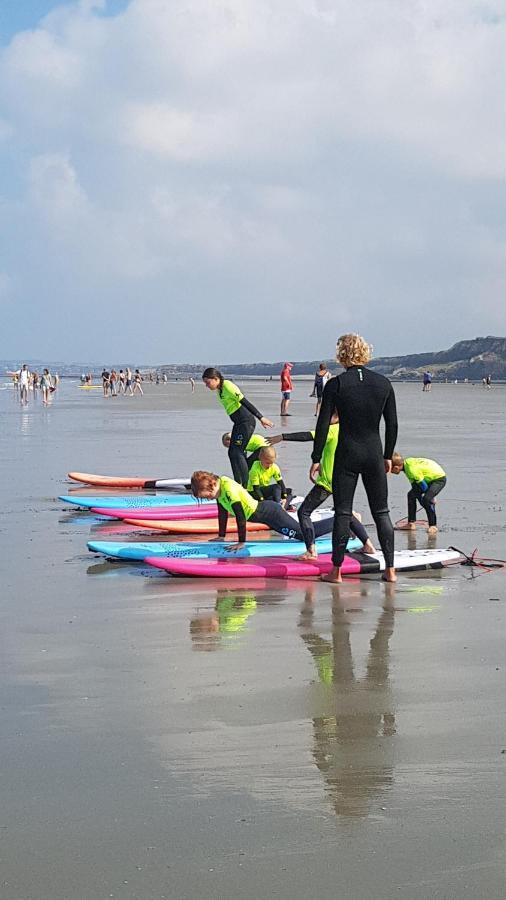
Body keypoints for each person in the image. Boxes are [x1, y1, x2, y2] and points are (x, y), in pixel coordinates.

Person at [312, 333, 398, 583]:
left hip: (347, 453)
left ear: (341, 355)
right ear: (366, 353)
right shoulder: (383, 383)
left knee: (342, 512)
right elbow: (392, 424)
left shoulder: (335, 385)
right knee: (381, 512)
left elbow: (323, 424)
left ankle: (335, 572)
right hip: (374, 454)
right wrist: (388, 455)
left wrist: (316, 456)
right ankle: (390, 570)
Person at [269, 415, 376, 559]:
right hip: (345, 479)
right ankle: (367, 544)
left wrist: (282, 436)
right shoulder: (349, 429)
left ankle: (311, 550)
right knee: (344, 512)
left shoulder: (331, 430)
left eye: (329, 414)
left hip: (328, 482)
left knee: (304, 512)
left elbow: (309, 436)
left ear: (337, 416)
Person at [190, 471, 333, 550]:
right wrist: (221, 536)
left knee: (303, 535)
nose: (208, 499)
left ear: (211, 485)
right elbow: (222, 513)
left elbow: (240, 517)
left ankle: (340, 520)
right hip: (267, 516)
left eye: (206, 496)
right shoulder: (219, 492)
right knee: (302, 535)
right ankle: (341, 521)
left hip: (271, 513)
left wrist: (241, 542)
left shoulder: (228, 490)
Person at [202, 368, 273, 487]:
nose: (207, 385)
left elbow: (245, 402)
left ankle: (245, 486)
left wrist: (261, 418)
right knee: (232, 452)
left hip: (246, 422)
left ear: (216, 379)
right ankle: (238, 482)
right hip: (238, 423)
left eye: (208, 382)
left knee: (238, 452)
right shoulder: (220, 390)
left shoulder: (228, 386)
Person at [391, 453, 446, 534]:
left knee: (427, 499)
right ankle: (411, 523)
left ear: (396, 467)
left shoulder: (411, 469)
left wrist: (431, 497)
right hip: (427, 479)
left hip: (438, 479)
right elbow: (415, 485)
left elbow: (423, 485)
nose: (389, 471)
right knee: (411, 495)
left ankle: (433, 525)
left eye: (389, 469)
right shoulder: (406, 465)